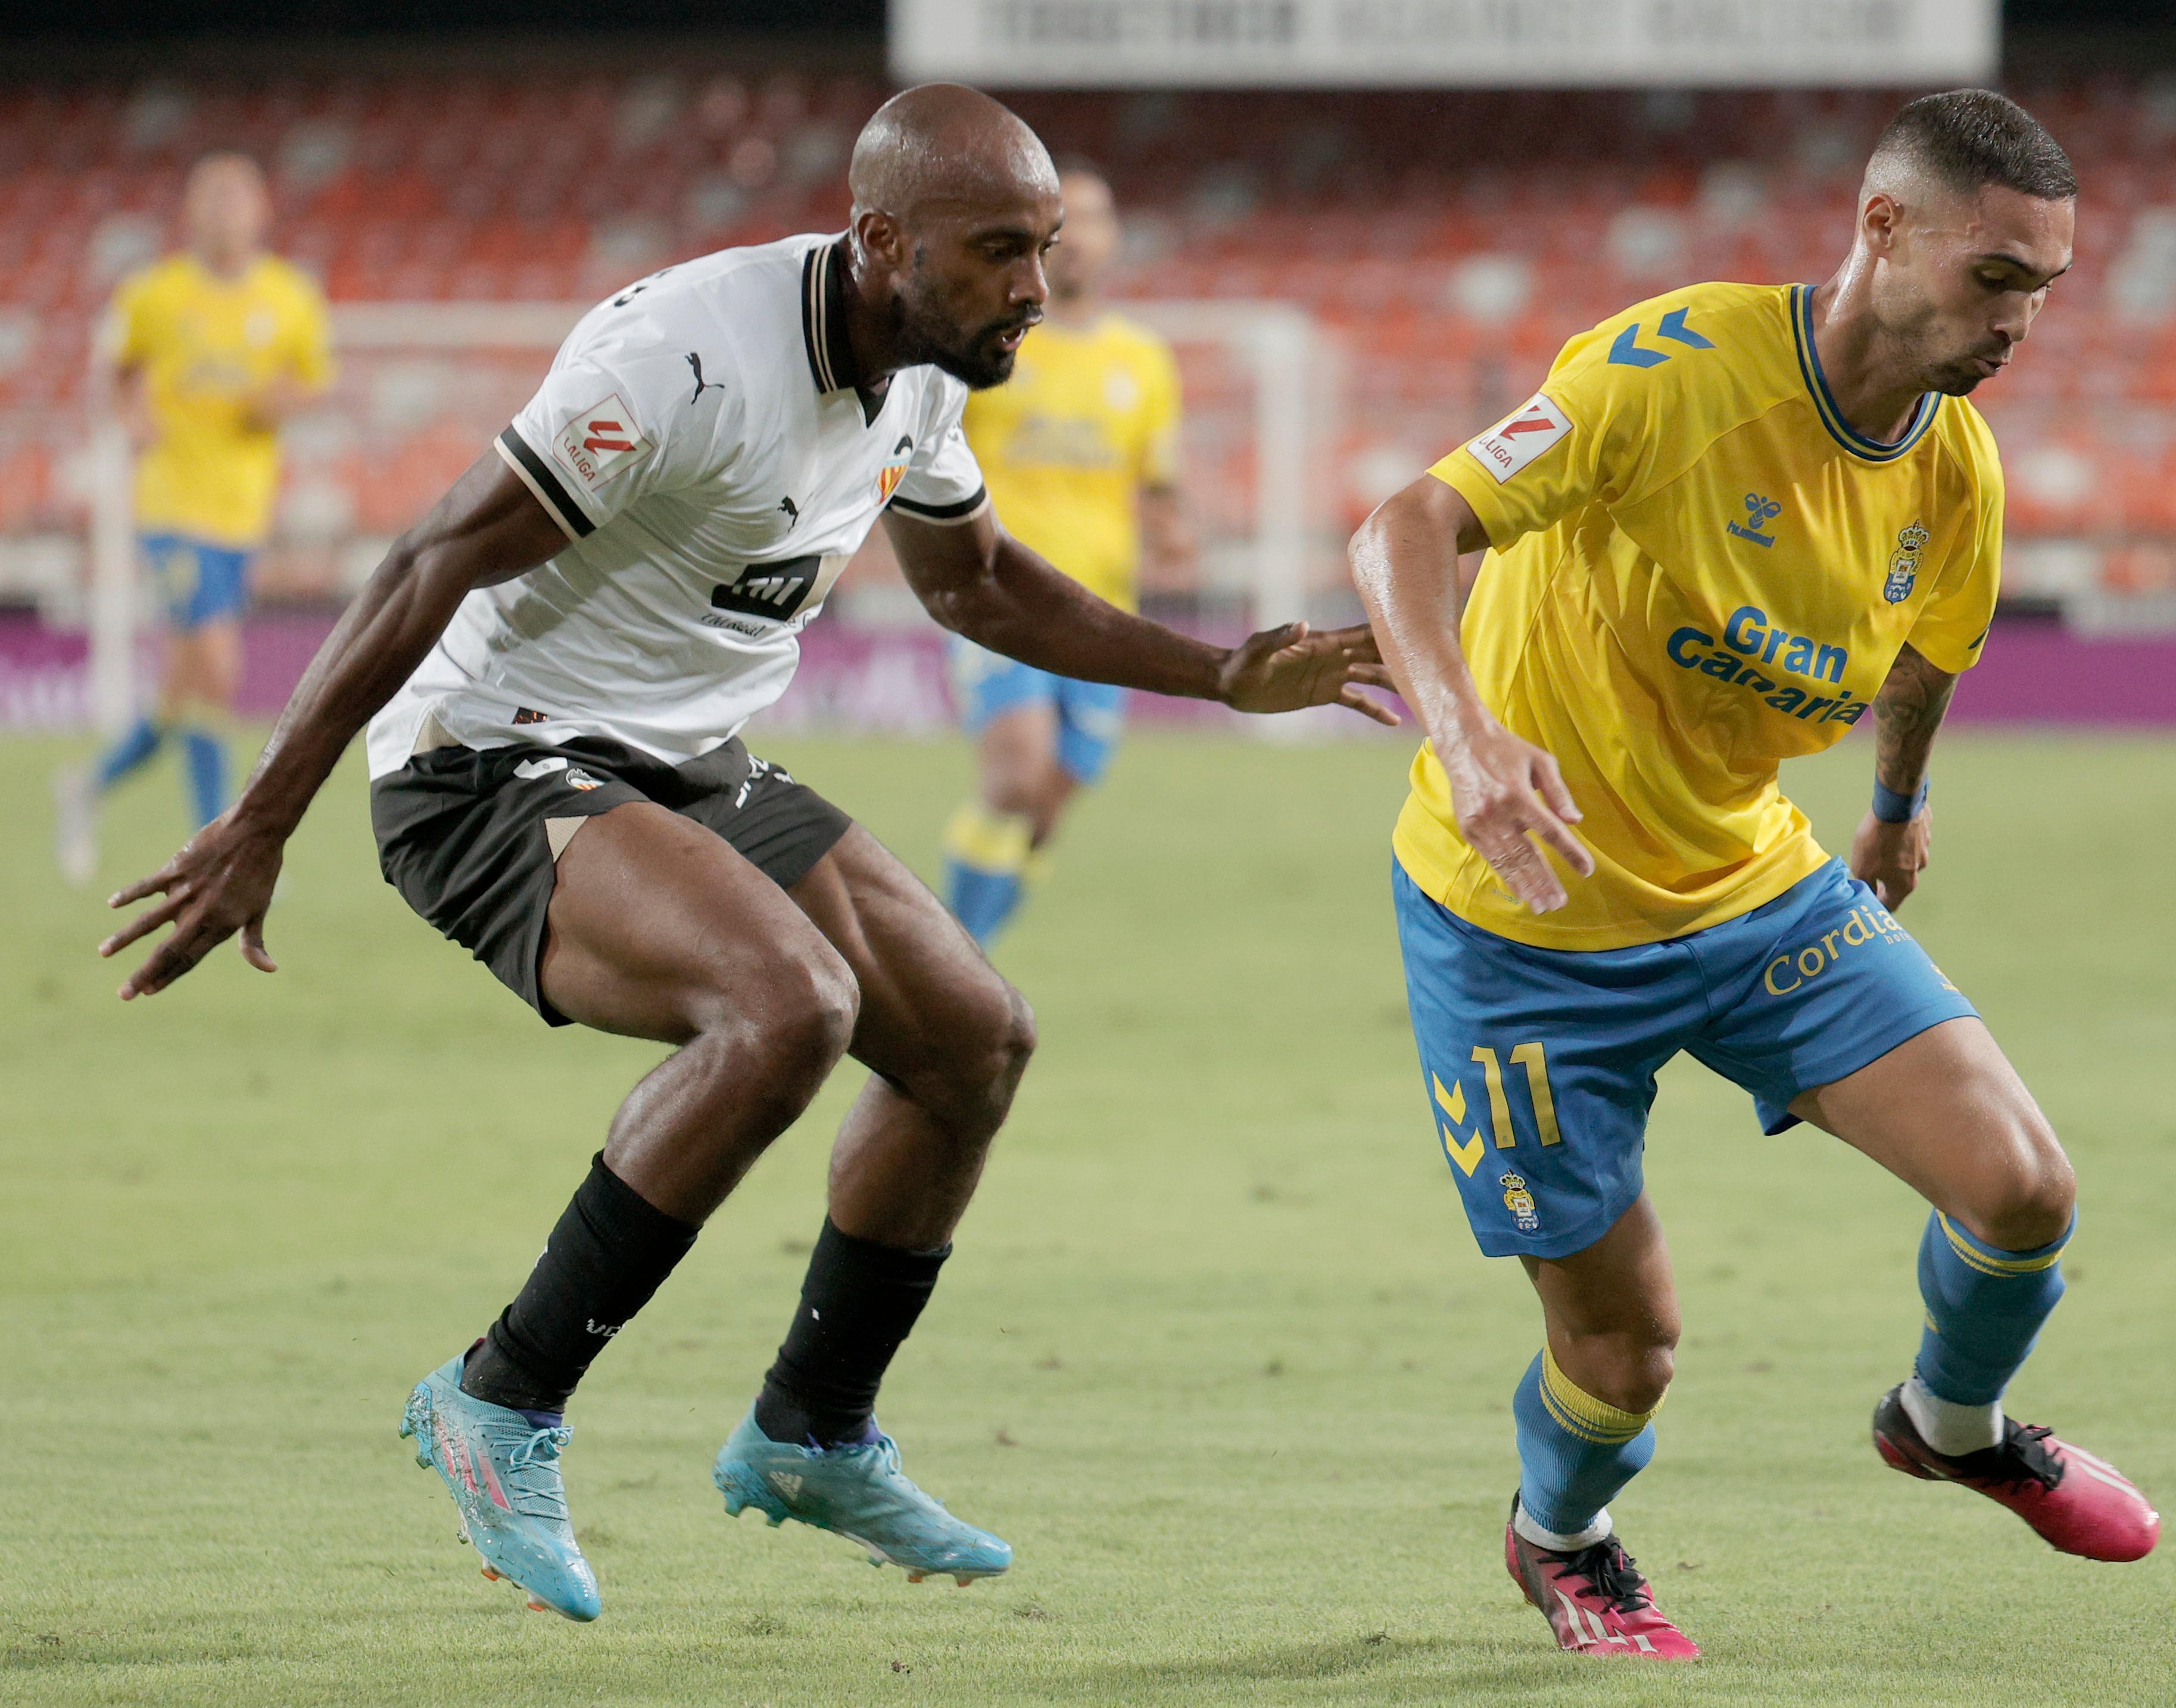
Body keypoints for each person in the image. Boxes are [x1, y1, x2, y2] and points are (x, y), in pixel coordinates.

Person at [98, 85, 1391, 1623]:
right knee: (788, 1006)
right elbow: (432, 553)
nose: (1037, 289)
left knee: (975, 1038)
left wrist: (1218, 671)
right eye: (1001, 253)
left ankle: (811, 1429)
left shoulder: (921, 363)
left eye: (1042, 250)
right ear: (881, 241)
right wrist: (262, 821)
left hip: (691, 757)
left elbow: (973, 584)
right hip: (489, 763)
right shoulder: (685, 357)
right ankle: (497, 1398)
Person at [1348, 90, 2158, 1662]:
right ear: (1880, 231)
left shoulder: (1955, 472)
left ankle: (1950, 1418)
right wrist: (1460, 734)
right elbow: (1408, 524)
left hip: (1751, 896)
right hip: (1521, 921)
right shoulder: (1672, 372)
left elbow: (1925, 656)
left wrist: (1896, 810)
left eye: (2046, 288)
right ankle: (1558, 1533)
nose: (2022, 321)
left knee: (2023, 1189)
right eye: (1996, 276)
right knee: (1622, 1351)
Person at [56, 153, 334, 884]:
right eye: (210, 197)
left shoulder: (291, 295)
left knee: (186, 693)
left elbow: (311, 381)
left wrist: (282, 404)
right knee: (219, 663)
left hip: (242, 512)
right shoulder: (154, 293)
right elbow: (118, 375)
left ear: (263, 210)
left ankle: (85, 787)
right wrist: (134, 418)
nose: (224, 210)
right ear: (190, 212)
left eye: (237, 196)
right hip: (171, 507)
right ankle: (214, 841)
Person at [941, 160, 1196, 947]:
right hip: (1000, 594)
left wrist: (1172, 531)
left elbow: (1157, 484)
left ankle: (966, 953)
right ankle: (947, 961)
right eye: (1063, 223)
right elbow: (928, 456)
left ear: (1113, 238)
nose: (1078, 236)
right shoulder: (988, 345)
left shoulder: (1144, 362)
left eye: (1094, 218)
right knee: (1017, 773)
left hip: (1101, 608)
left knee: (1051, 796)